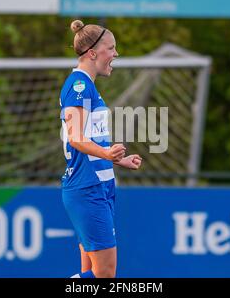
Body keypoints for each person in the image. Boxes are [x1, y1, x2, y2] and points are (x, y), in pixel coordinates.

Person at [59, 20, 142, 278]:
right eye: (111, 48)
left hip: (98, 185)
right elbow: (75, 138)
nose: (115, 54)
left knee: (91, 272)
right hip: (88, 188)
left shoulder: (88, 87)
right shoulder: (79, 85)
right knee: (104, 274)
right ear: (93, 53)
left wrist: (116, 160)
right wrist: (106, 154)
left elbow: (89, 140)